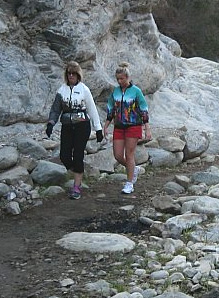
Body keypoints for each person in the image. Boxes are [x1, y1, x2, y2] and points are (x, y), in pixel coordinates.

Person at [46, 61, 103, 199]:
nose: (71, 76)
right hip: (67, 126)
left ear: (78, 75)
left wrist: (98, 128)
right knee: (64, 156)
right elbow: (55, 109)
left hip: (82, 126)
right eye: (68, 73)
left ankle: (76, 186)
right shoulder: (61, 90)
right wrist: (50, 124)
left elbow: (92, 109)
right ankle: (79, 171)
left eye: (73, 73)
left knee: (78, 155)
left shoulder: (84, 89)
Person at [103, 62, 151, 194]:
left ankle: (129, 183)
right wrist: (106, 125)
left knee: (129, 154)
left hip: (133, 126)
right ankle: (133, 169)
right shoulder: (115, 91)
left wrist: (147, 128)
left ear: (127, 77)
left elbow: (143, 109)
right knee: (118, 155)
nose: (119, 81)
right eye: (118, 79)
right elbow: (111, 109)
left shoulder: (136, 91)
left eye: (122, 78)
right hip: (118, 126)